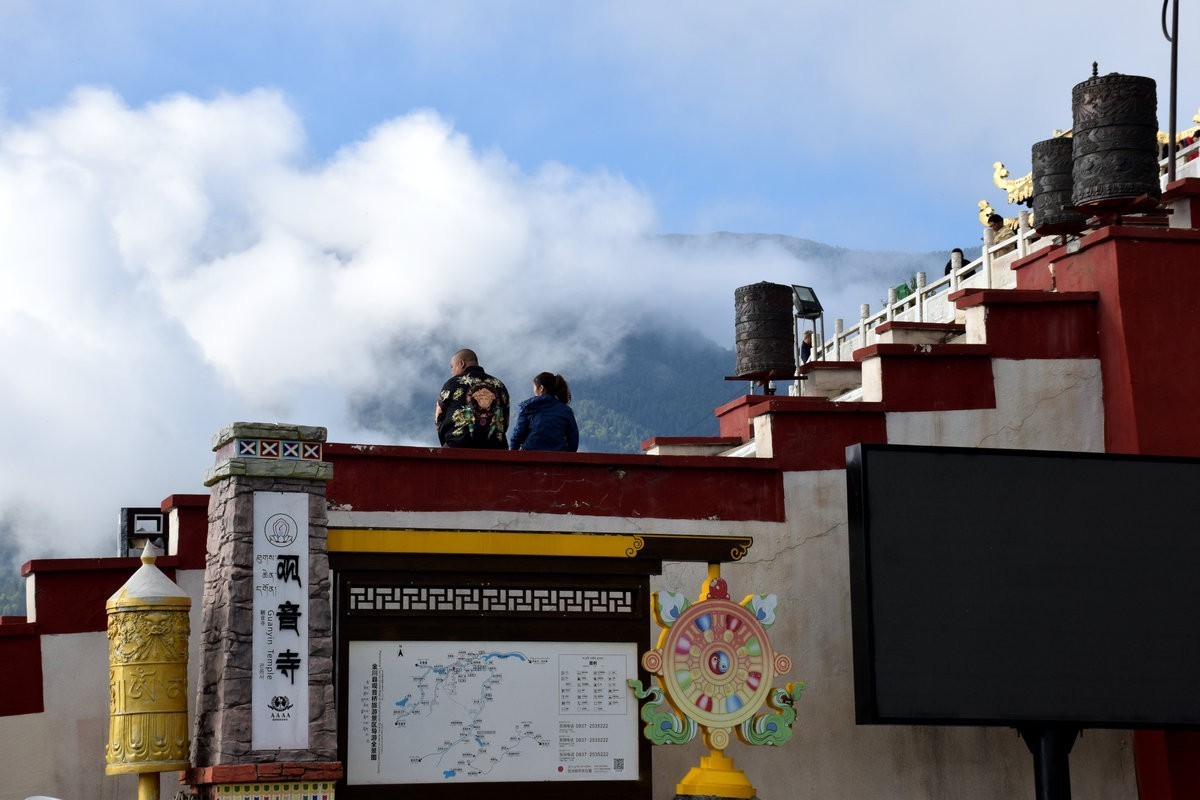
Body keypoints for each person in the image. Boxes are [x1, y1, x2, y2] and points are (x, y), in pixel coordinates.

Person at [435, 348, 510, 448]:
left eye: (452, 367)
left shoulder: (452, 383)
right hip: (496, 447)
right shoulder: (499, 385)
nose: (452, 372)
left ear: (462, 363)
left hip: (458, 444)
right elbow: (505, 420)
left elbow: (439, 416)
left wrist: (446, 441)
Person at [509, 372, 579, 452]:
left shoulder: (528, 407)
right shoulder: (566, 410)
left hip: (530, 456)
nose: (534, 391)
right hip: (557, 458)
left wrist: (513, 454)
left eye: (534, 388)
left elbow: (518, 434)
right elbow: (573, 441)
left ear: (541, 388)